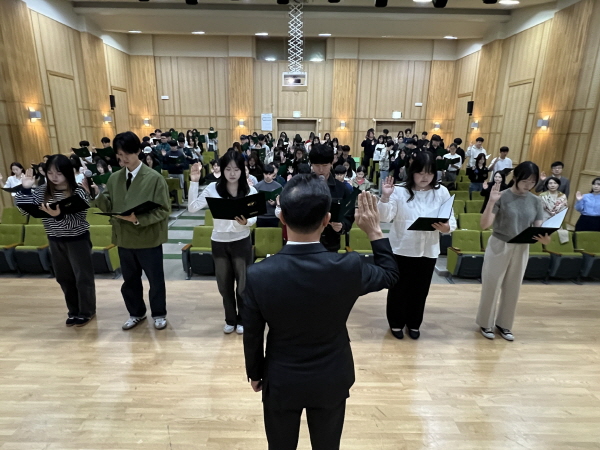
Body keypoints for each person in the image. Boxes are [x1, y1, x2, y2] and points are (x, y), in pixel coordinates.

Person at [243, 174, 399, 450]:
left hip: (281, 378)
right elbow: (390, 274)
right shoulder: (348, 267)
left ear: (282, 218)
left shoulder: (258, 274)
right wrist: (374, 231)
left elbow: (253, 334)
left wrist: (255, 373)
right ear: (327, 220)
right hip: (331, 376)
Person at [93, 131, 171, 331]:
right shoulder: (114, 178)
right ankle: (136, 313)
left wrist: (139, 219)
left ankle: (159, 313)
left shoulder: (154, 178)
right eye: (119, 154)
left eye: (127, 153)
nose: (123, 158)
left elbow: (163, 210)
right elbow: (108, 204)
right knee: (129, 281)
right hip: (124, 239)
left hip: (148, 238)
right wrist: (95, 193)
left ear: (138, 151)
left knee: (155, 280)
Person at [378, 151, 456, 340]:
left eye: (429, 173)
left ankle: (414, 323)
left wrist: (446, 227)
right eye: (421, 173)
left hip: (428, 250)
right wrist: (385, 197)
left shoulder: (441, 192)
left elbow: (451, 222)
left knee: (420, 291)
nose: (425, 177)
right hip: (403, 248)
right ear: (412, 172)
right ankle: (395, 323)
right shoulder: (399, 190)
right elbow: (384, 217)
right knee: (399, 289)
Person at [15, 156, 96, 327]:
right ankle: (73, 310)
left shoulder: (78, 191)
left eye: (58, 172)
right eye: (50, 172)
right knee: (63, 277)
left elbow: (79, 220)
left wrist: (58, 215)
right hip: (54, 239)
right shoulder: (42, 191)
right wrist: (25, 189)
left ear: (67, 172)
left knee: (82, 277)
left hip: (77, 239)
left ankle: (87, 311)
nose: (54, 176)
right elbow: (24, 211)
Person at [477, 161, 549, 341]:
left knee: (513, 288)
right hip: (499, 244)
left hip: (522, 247)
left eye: (533, 182)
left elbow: (538, 227)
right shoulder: (501, 196)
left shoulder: (535, 201)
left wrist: (545, 238)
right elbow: (484, 225)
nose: (528, 185)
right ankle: (486, 322)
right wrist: (491, 202)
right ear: (516, 177)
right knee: (491, 285)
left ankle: (505, 324)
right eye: (525, 181)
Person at [188, 152, 257, 334]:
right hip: (219, 242)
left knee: (243, 284)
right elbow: (192, 208)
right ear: (222, 170)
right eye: (228, 169)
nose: (232, 173)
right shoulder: (212, 188)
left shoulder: (250, 190)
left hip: (241, 241)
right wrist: (194, 181)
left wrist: (247, 222)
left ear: (242, 170)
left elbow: (254, 216)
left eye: (236, 169)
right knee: (224, 284)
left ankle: (242, 319)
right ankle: (230, 319)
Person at [309, 144, 355, 252]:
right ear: (311, 164)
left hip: (331, 244)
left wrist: (342, 226)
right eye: (316, 165)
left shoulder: (342, 188)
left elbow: (349, 215)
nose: (320, 170)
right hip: (307, 243)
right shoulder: (301, 186)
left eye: (325, 165)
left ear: (331, 163)